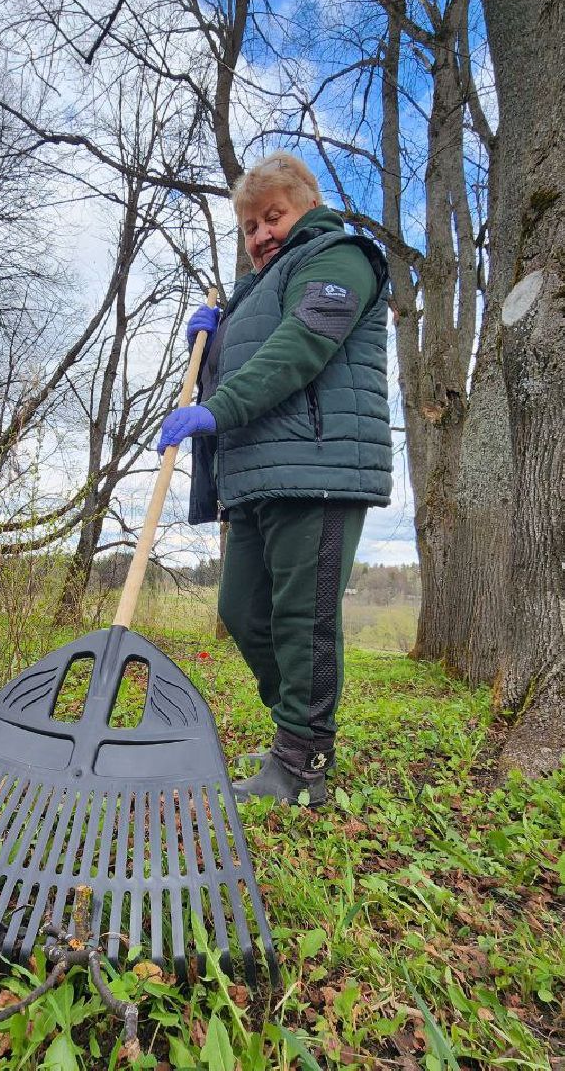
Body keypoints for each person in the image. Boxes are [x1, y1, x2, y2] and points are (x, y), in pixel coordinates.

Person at [157, 152, 392, 806]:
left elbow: (300, 346)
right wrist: (212, 343)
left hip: (318, 469)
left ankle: (301, 762)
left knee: (302, 620)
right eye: (250, 227)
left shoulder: (340, 258)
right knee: (241, 610)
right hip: (255, 476)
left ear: (308, 206)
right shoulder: (252, 291)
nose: (261, 235)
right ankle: (295, 731)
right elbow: (246, 360)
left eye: (273, 216)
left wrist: (218, 409)